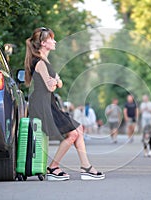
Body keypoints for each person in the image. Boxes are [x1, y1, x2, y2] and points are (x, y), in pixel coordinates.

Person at [24, 27, 105, 180]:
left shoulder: (45, 61)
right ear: (43, 43)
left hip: (49, 103)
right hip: (43, 105)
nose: (55, 41)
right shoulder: (39, 62)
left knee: (78, 129)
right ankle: (53, 167)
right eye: (51, 39)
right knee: (73, 133)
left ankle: (85, 167)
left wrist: (56, 81)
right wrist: (55, 81)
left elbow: (58, 83)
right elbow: (51, 86)